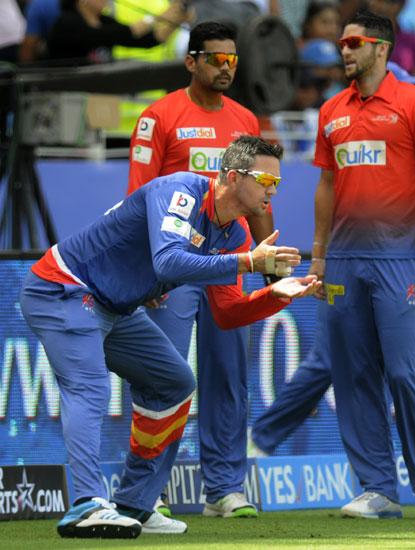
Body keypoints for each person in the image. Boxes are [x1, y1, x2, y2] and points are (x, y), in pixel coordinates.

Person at [20, 135, 321, 539]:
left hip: (113, 307)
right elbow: (167, 260)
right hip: (64, 288)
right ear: (232, 176)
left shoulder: (236, 233)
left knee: (175, 383)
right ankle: (87, 504)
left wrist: (274, 295)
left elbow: (228, 312)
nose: (273, 190)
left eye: (277, 183)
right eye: (266, 179)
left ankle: (135, 504)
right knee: (90, 387)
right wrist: (250, 262)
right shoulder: (178, 191)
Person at [311, 11, 415, 519]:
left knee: (403, 372)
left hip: (399, 257)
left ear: (381, 48)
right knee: (354, 377)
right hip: (344, 262)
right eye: (341, 44)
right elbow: (327, 185)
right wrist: (319, 255)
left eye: (353, 43)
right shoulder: (331, 110)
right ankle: (377, 489)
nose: (344, 51)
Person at [127, 21, 275, 519]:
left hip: (229, 263)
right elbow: (138, 197)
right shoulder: (159, 116)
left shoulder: (244, 120)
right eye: (216, 59)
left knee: (229, 376)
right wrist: (143, 273)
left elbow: (256, 197)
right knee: (162, 377)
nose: (226, 67)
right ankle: (152, 492)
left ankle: (225, 489)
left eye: (232, 60)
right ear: (191, 61)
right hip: (175, 268)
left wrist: (267, 256)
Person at [250, 61, 415, 457]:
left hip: (383, 261)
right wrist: (322, 256)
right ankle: (261, 439)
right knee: (330, 361)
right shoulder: (345, 118)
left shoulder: (409, 124)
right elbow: (328, 188)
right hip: (352, 260)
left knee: (342, 363)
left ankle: (262, 438)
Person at [47, 0, 190, 64]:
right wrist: (157, 17)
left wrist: (177, 20)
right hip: (64, 94)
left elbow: (148, 40)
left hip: (96, 94)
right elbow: (121, 33)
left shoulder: (104, 20)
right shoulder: (67, 22)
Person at [367, 0, 415, 74]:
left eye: (389, 2)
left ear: (402, 5)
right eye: (379, 0)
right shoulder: (355, 37)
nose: (383, 7)